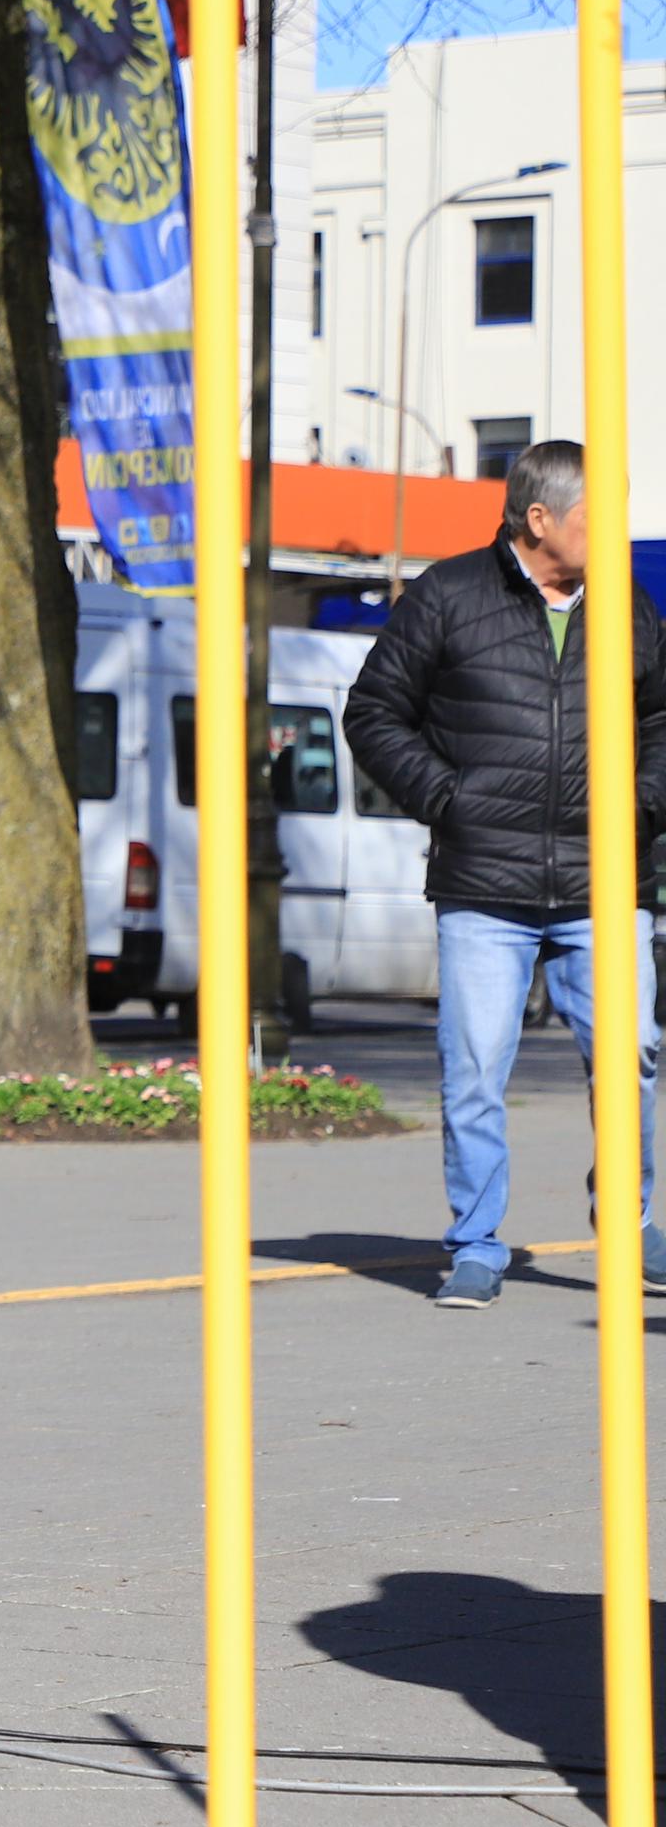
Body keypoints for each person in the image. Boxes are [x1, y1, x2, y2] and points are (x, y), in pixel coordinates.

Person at [345, 435, 666, 1308]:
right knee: (476, 1072)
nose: (617, 530)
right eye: (600, 514)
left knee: (632, 1055)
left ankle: (631, 1223)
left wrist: (643, 806)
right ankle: (477, 1244)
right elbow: (374, 712)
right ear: (539, 519)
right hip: (486, 884)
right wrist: (449, 799)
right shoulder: (449, 596)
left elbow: (661, 721)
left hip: (607, 880)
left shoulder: (628, 606)